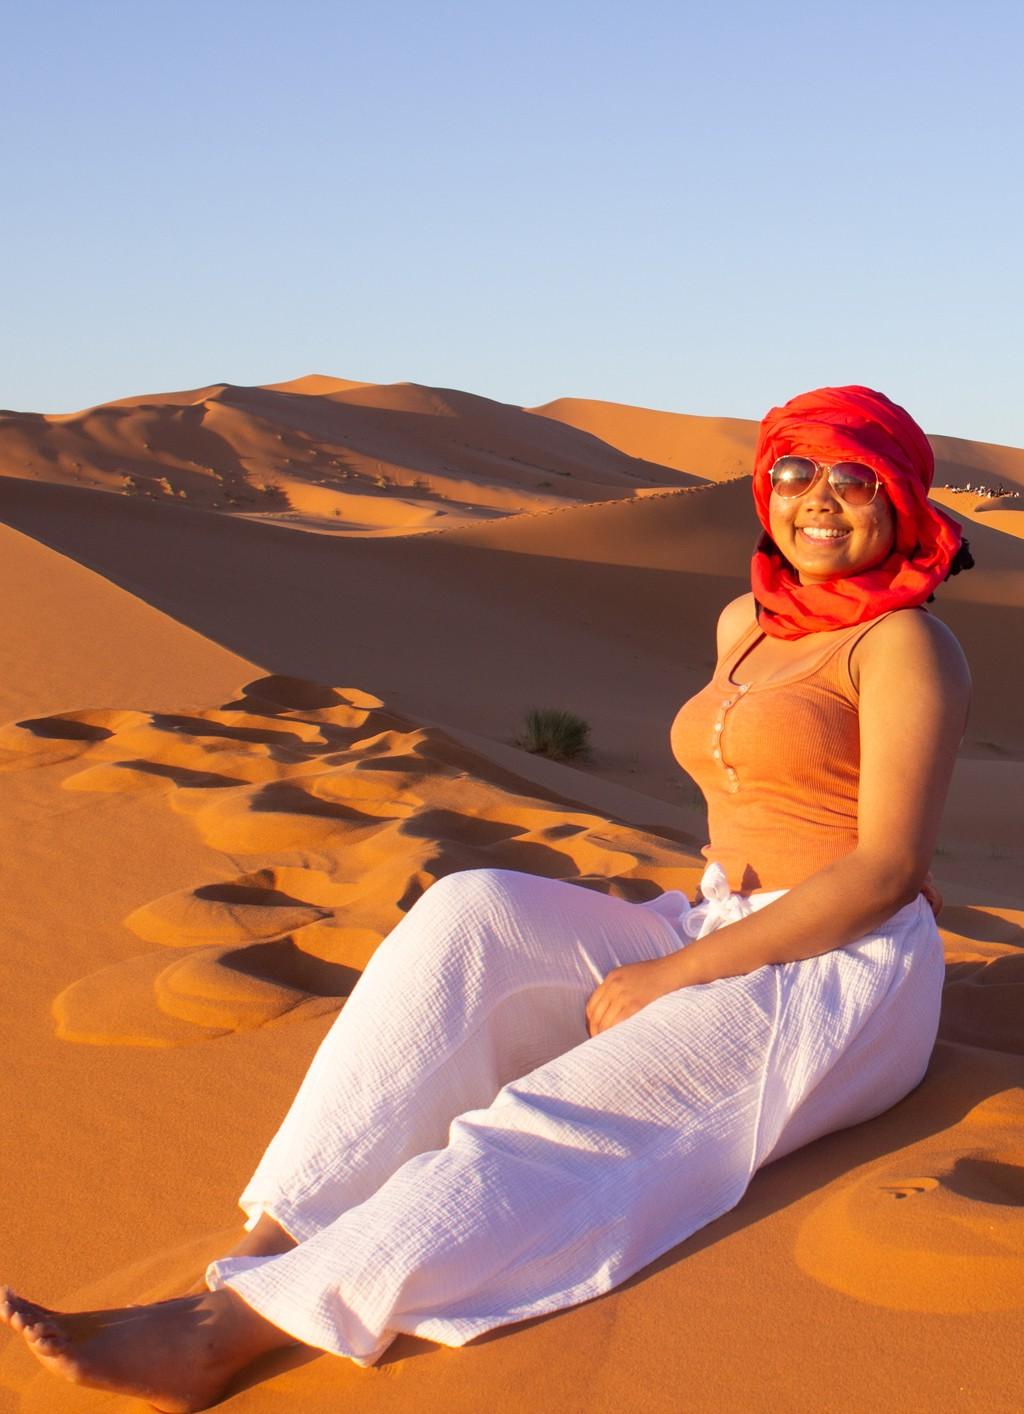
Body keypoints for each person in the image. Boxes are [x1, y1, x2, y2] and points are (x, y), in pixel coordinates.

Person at [1, 385, 973, 1412]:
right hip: (714, 917)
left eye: (855, 475)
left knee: (569, 1118)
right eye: (795, 470)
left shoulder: (903, 644)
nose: (819, 499)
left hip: (840, 971)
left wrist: (670, 975)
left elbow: (882, 873)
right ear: (763, 483)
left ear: (900, 497)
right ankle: (274, 1240)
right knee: (471, 910)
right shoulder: (748, 619)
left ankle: (224, 1335)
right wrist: (678, 936)